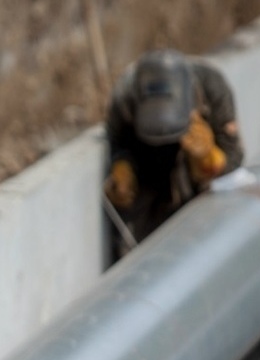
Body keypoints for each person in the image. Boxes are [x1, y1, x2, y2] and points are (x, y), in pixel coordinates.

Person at [103, 48, 245, 253]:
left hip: (197, 176)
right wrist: (122, 169)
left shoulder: (212, 89)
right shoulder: (124, 98)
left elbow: (234, 155)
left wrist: (208, 156)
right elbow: (118, 143)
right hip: (148, 166)